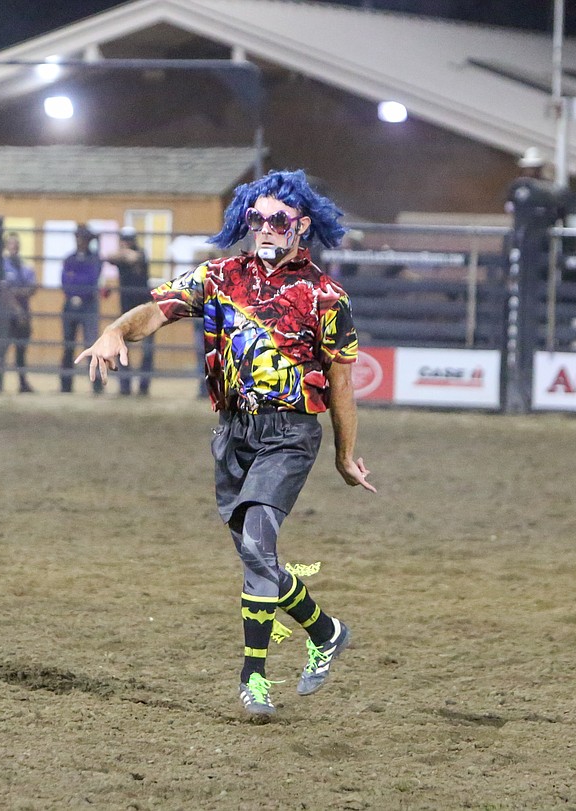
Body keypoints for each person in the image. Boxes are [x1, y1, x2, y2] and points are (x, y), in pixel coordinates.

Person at [75, 170, 375, 720]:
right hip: (234, 434)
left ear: (300, 227)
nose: (264, 228)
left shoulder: (326, 297)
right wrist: (116, 329)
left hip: (290, 434)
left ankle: (253, 678)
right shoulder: (217, 277)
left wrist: (342, 455)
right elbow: (157, 310)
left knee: (259, 545)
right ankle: (326, 631)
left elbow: (341, 383)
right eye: (256, 218)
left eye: (277, 219)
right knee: (255, 556)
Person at [505, 147, 569, 282]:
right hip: (521, 235)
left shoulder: (548, 189)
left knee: (539, 273)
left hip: (541, 237)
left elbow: (559, 212)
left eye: (533, 167)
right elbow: (510, 206)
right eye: (529, 167)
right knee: (519, 272)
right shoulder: (517, 187)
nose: (530, 170)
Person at [105, 225, 153, 396]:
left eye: (129, 239)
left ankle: (143, 386)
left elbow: (135, 258)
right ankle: (125, 385)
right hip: (126, 310)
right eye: (124, 239)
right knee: (122, 348)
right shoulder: (120, 256)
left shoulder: (141, 253)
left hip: (145, 309)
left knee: (147, 350)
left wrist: (124, 254)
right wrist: (123, 254)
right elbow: (109, 257)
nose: (127, 242)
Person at [59, 224, 104, 394]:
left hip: (88, 305)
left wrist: (77, 289)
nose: (79, 241)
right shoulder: (70, 259)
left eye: (83, 238)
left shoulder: (94, 259)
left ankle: (96, 383)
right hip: (72, 304)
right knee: (68, 345)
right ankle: (65, 384)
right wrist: (76, 290)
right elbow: (65, 280)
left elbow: (91, 279)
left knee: (91, 344)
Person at [0, 232, 38, 393]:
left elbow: (32, 287)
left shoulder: (25, 266)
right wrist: (17, 304)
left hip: (23, 313)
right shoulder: (2, 266)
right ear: (7, 245)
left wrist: (17, 292)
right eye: (11, 243)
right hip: (7, 314)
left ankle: (22, 383)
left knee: (21, 351)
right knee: (2, 349)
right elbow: (4, 290)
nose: (14, 246)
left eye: (16, 243)